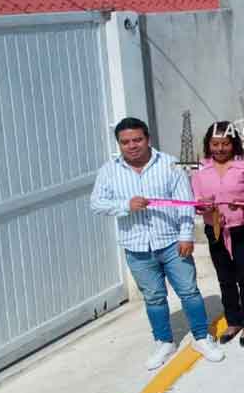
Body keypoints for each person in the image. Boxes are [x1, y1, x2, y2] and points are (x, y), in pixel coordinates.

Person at [90, 117, 224, 369]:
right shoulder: (109, 170)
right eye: (125, 142)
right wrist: (125, 206)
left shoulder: (169, 164)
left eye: (137, 140)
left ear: (148, 139)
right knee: (153, 298)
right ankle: (164, 342)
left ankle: (201, 337)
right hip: (137, 247)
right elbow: (96, 204)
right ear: (119, 143)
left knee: (189, 292)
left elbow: (185, 202)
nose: (132, 146)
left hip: (172, 243)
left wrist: (186, 236)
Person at [192, 121, 244, 346]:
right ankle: (233, 321)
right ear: (208, 144)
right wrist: (203, 206)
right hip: (215, 229)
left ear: (233, 144)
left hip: (241, 227)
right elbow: (195, 200)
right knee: (225, 278)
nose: (220, 149)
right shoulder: (201, 167)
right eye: (215, 144)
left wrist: (242, 204)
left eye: (225, 144)